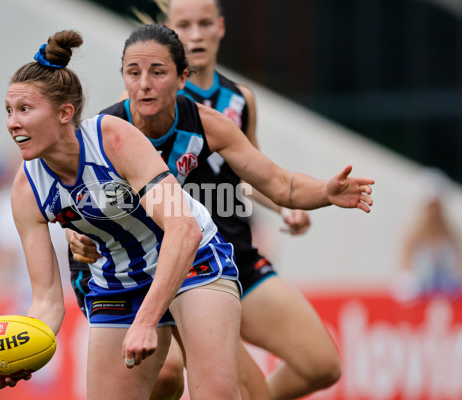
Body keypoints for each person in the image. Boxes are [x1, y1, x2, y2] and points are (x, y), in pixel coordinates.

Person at [66, 23, 375, 400]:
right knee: (167, 376)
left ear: (182, 79)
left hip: (194, 258)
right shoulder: (107, 133)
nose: (144, 83)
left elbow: (279, 183)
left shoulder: (209, 124)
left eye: (157, 72)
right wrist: (74, 233)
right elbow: (68, 196)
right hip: (123, 272)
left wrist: (326, 191)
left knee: (295, 376)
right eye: (134, 73)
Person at [0, 29, 245, 400]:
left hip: (191, 261)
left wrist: (147, 320)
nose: (13, 123)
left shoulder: (112, 138)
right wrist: (21, 357)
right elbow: (47, 301)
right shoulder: (26, 189)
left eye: (25, 110)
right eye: (9, 111)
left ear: (64, 113)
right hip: (118, 280)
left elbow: (183, 230)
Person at [394, 168, 462, 301]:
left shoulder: (451, 233)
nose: (433, 211)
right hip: (420, 297)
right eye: (430, 206)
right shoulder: (413, 233)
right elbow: (404, 266)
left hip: (446, 297)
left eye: (436, 206)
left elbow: (458, 263)